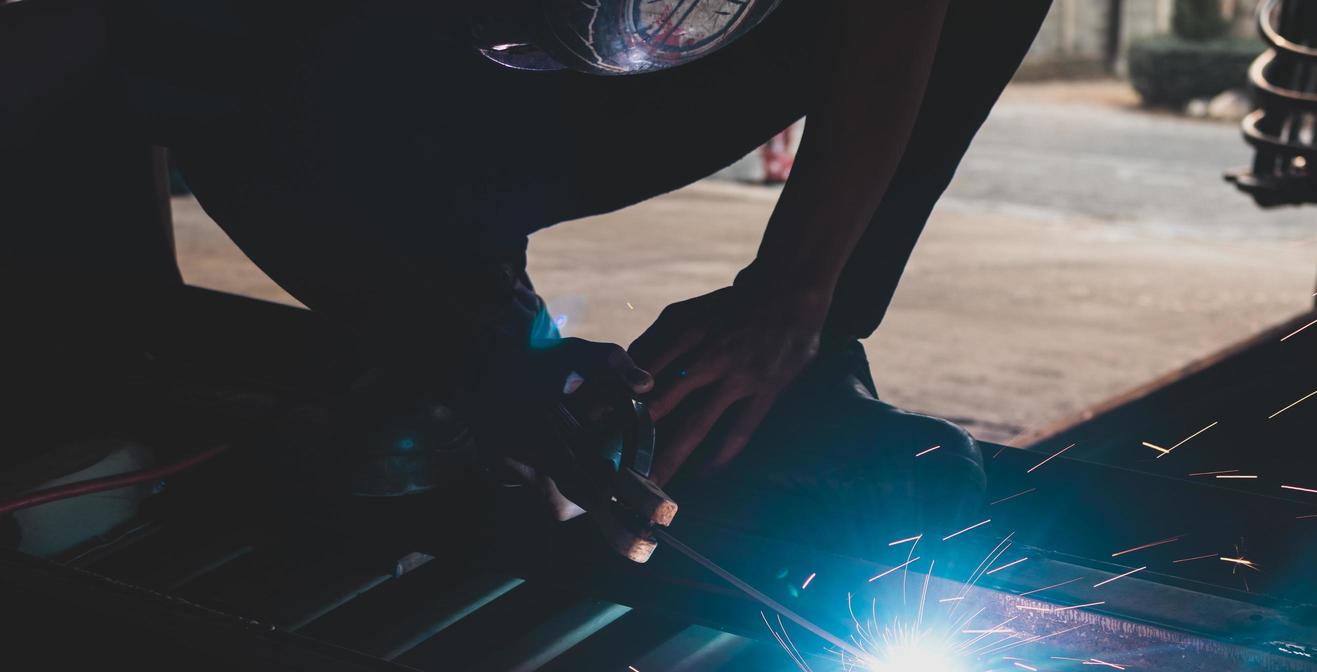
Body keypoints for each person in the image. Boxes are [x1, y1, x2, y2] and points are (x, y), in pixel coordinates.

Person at [114, 0, 1051, 541]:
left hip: (640, 77)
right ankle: (456, 351)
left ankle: (796, 377)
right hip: (421, 101)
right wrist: (473, 341)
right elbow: (221, 120)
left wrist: (795, 293)